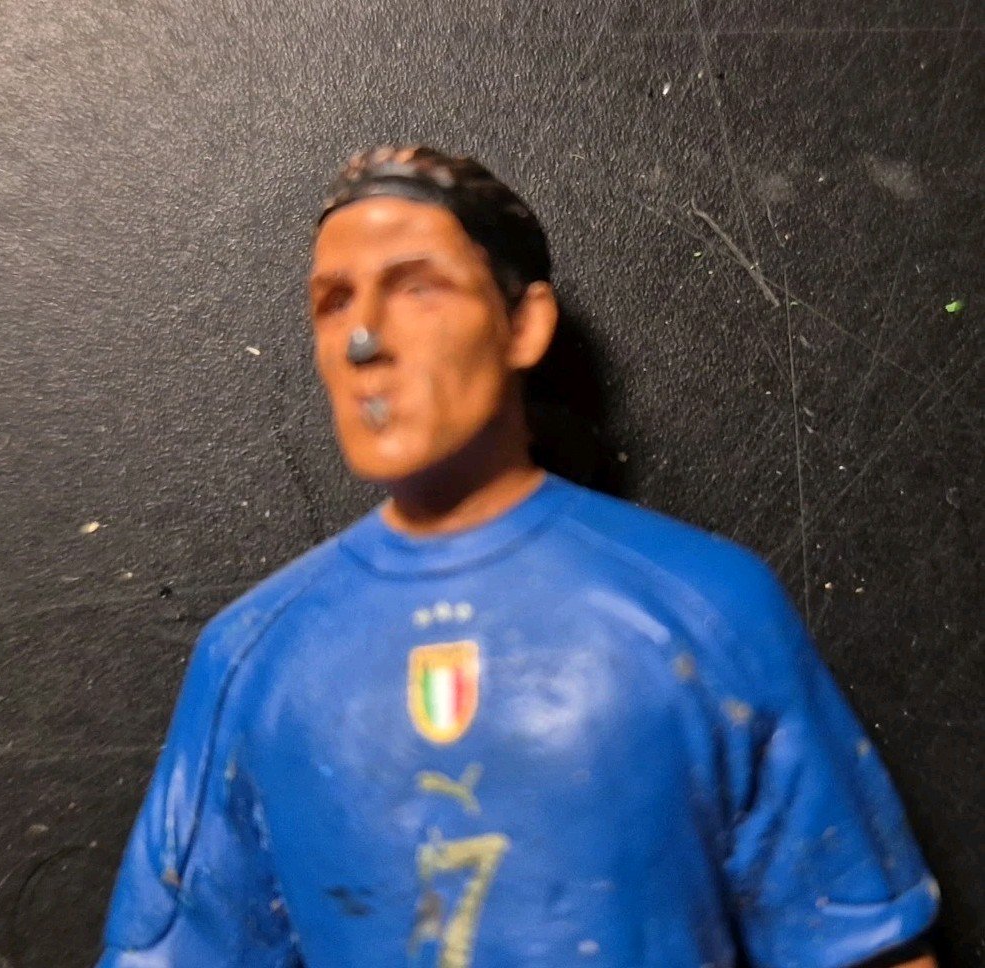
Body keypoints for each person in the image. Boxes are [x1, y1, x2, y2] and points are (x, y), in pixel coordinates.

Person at [96, 145, 940, 967]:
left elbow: (858, 944)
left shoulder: (702, 610)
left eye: (417, 289)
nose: (362, 341)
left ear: (524, 324)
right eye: (334, 303)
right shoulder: (256, 659)